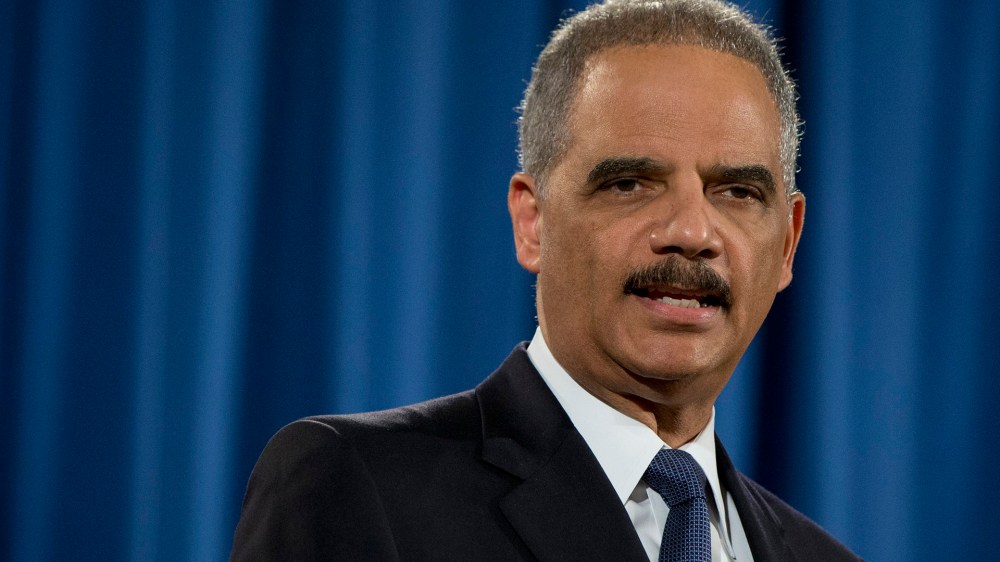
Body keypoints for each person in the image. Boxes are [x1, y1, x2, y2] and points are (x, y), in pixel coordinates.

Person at [229, 0, 861, 560]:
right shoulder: (358, 486)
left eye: (737, 191)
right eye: (629, 183)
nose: (693, 232)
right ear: (532, 222)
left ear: (787, 242)